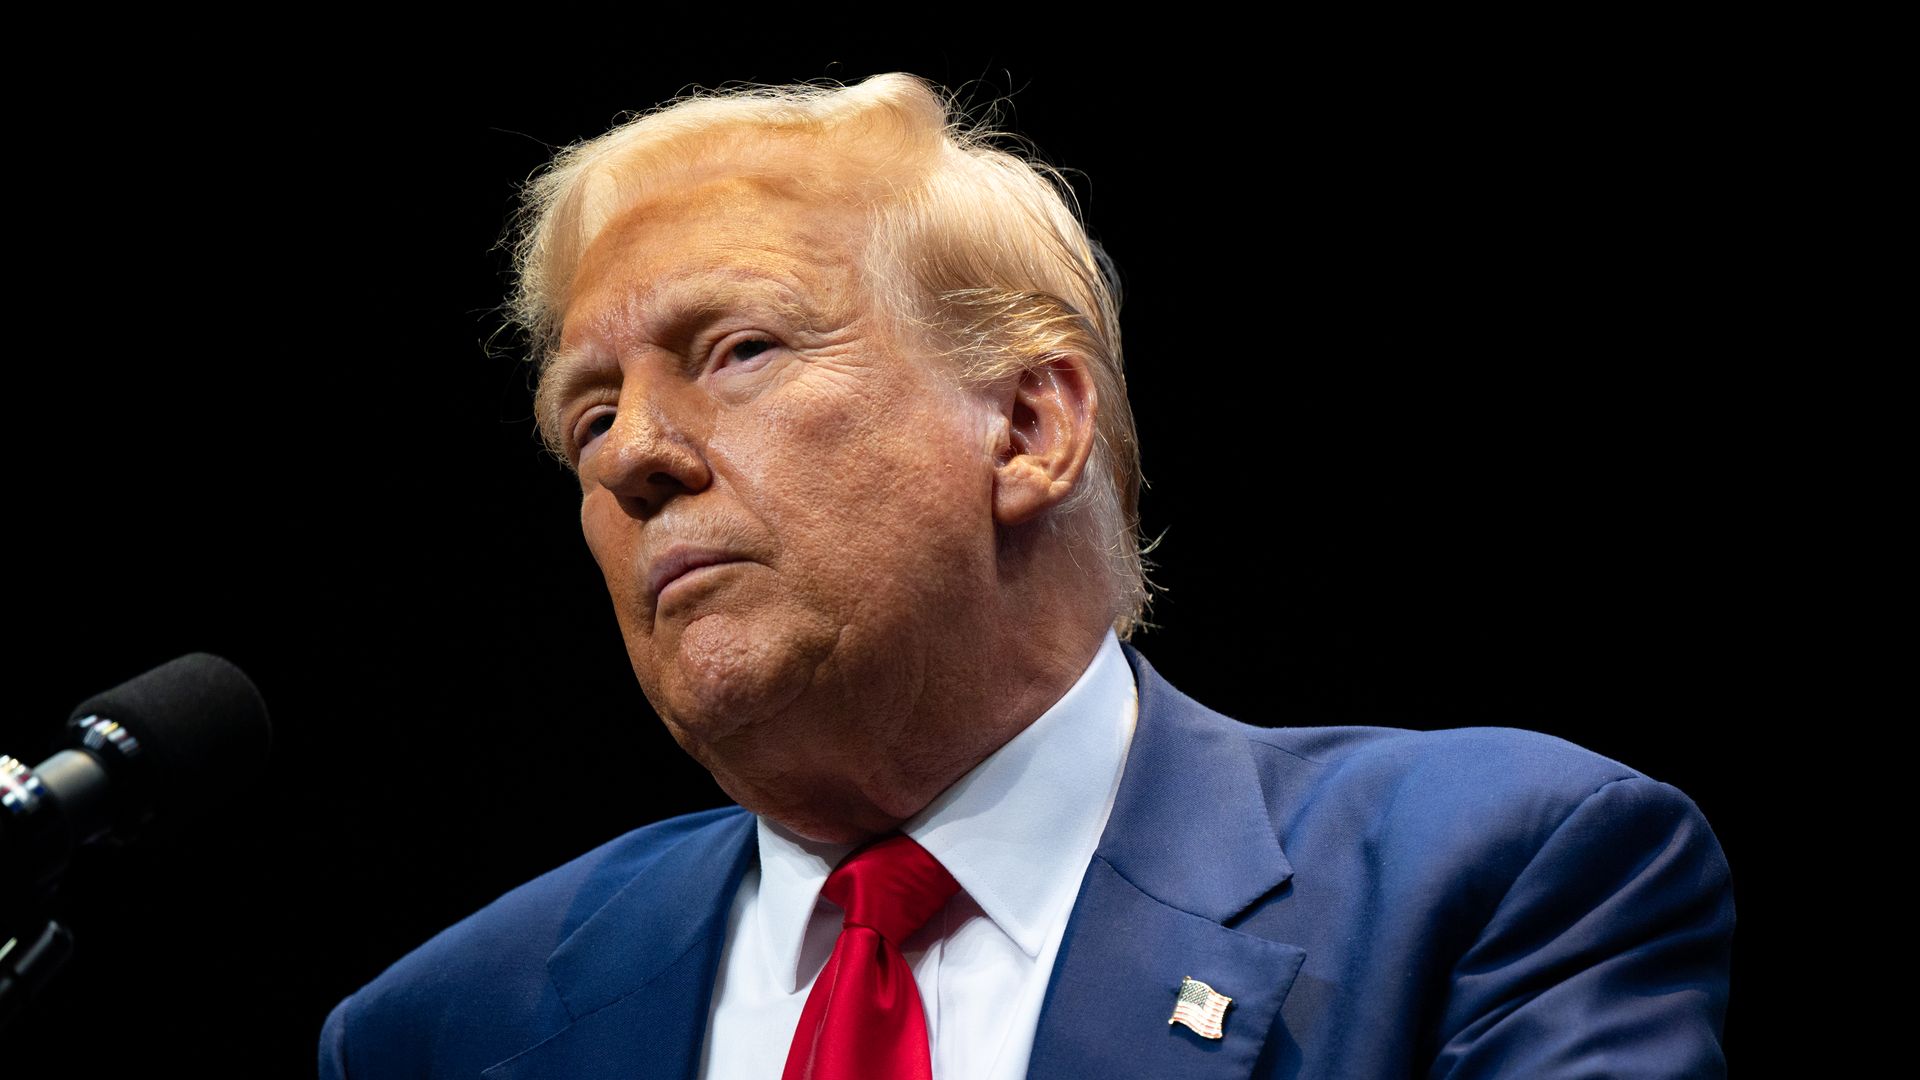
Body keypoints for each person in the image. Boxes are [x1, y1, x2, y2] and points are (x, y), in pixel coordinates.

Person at [319, 73, 1734, 1079]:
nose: (635, 455)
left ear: (1030, 426)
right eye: (587, 416)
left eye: (737, 352)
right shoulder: (446, 1030)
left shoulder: (1481, 885)